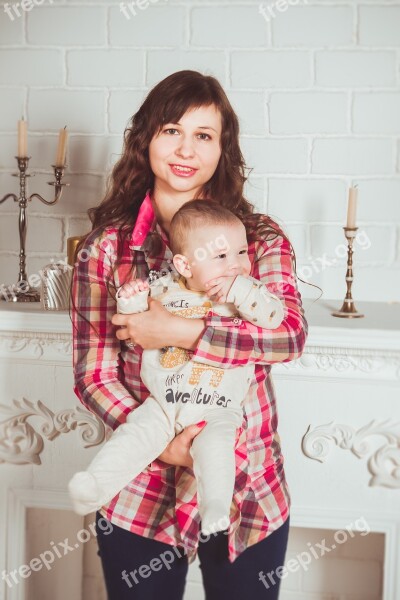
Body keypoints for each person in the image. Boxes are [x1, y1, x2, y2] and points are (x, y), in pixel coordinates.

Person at [70, 70, 312, 600]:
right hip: (141, 489)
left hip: (247, 482)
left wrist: (182, 330)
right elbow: (93, 375)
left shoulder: (260, 239)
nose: (186, 149)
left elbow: (289, 336)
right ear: (145, 138)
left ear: (222, 149)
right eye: (170, 130)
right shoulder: (105, 249)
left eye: (204, 135)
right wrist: (168, 445)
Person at [68, 200, 285, 536]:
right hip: (164, 404)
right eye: (222, 256)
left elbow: (277, 320)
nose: (237, 266)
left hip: (217, 407)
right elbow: (131, 326)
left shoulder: (244, 294)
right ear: (184, 264)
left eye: (242, 253)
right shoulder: (164, 288)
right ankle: (95, 486)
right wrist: (131, 297)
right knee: (134, 436)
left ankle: (215, 505)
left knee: (216, 448)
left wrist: (242, 290)